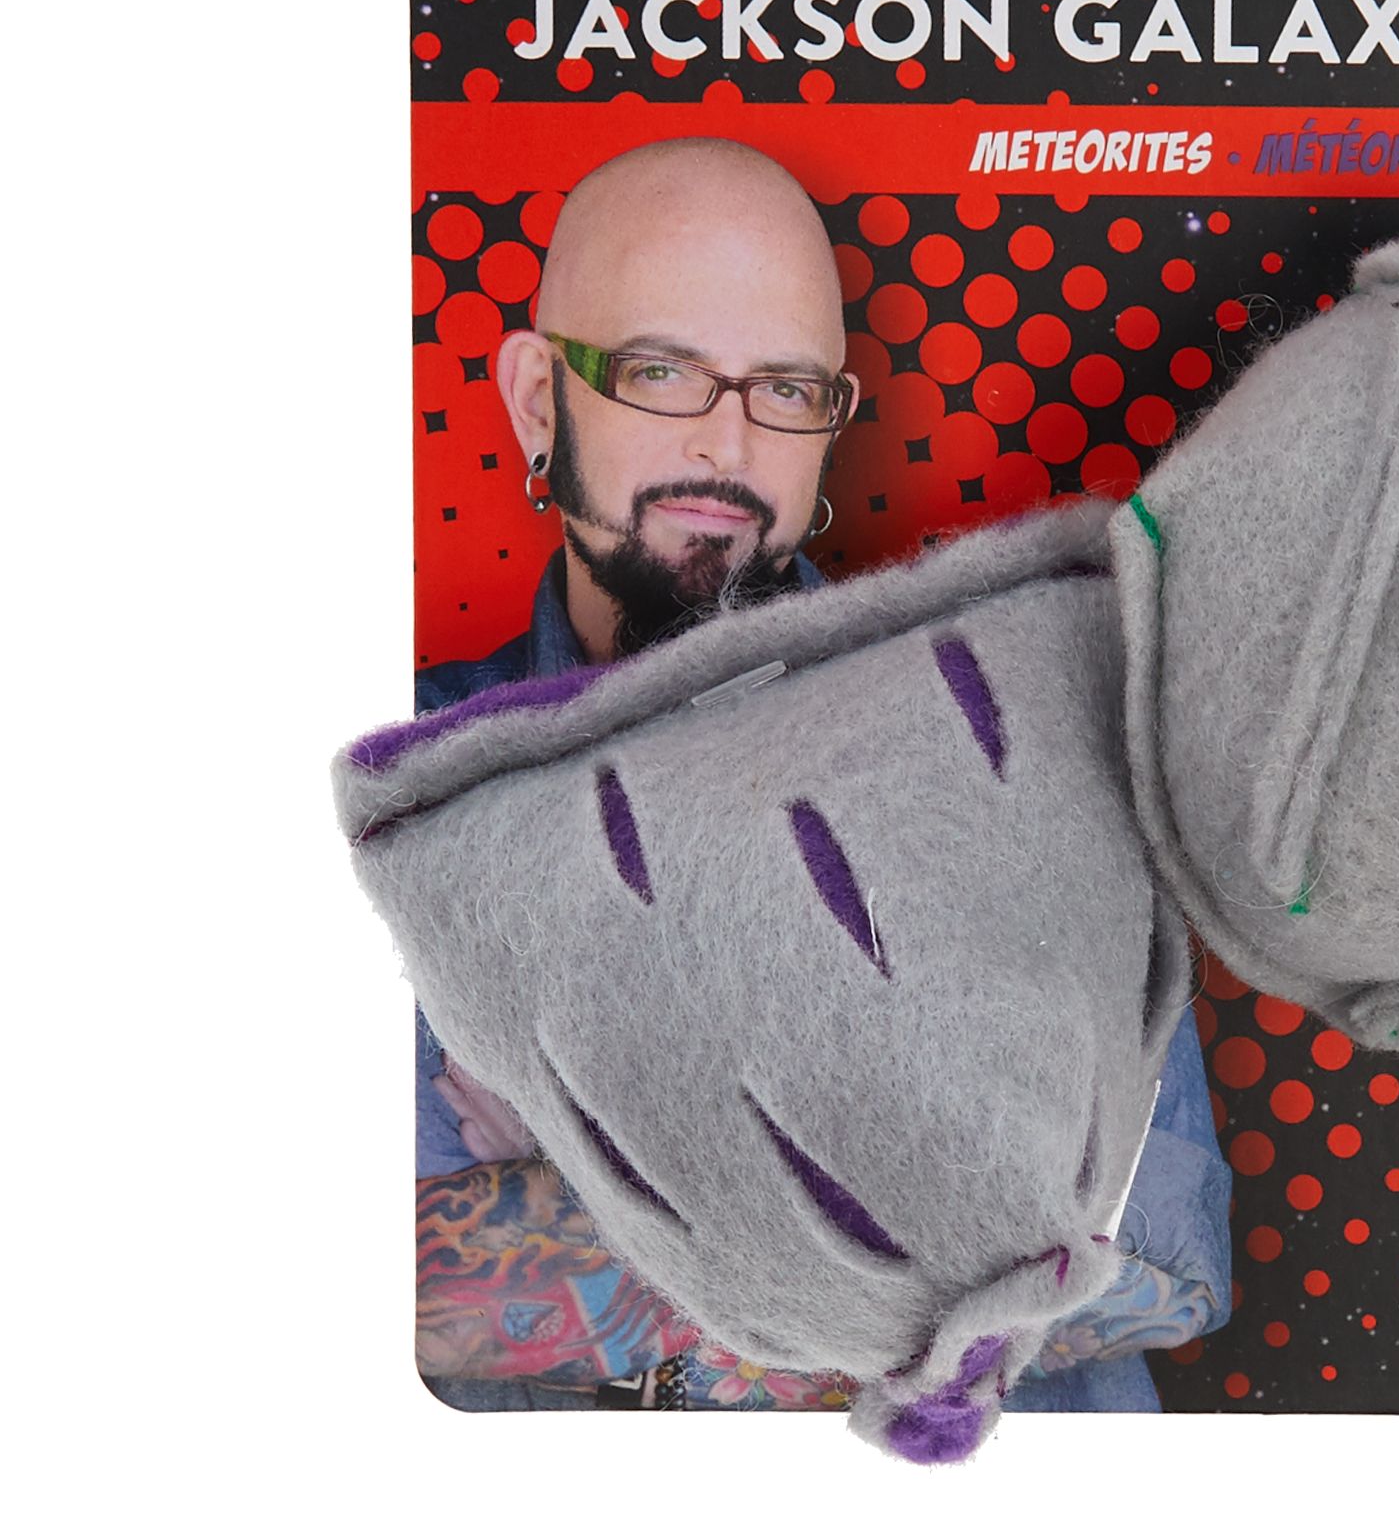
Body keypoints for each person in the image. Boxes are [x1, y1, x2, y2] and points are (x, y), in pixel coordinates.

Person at [410, 137, 1230, 1412]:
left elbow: (1164, 1264)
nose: (727, 443)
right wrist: (922, 1190)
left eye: (785, 388)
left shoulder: (1022, 730)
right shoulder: (401, 795)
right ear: (536, 399)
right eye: (659, 370)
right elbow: (372, 1294)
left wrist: (587, 1177)